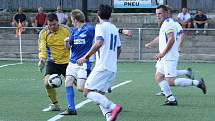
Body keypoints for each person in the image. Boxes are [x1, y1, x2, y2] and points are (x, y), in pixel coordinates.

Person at [151, 5, 206, 106]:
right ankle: (171, 99)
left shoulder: (168, 24)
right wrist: (153, 45)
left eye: (160, 13)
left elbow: (171, 39)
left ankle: (197, 83)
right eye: (157, 14)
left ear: (167, 12)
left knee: (170, 81)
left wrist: (162, 53)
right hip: (165, 57)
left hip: (169, 56)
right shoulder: (167, 23)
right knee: (159, 77)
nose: (158, 16)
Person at [77, 4, 122, 121]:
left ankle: (113, 107)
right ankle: (109, 117)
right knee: (100, 94)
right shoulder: (113, 28)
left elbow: (99, 43)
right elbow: (119, 49)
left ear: (98, 14)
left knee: (87, 91)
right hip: (112, 67)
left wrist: (85, 57)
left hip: (102, 65)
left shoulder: (100, 26)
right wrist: (112, 61)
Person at [60, 9, 95, 115]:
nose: (71, 22)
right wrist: (66, 42)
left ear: (75, 19)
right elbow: (69, 47)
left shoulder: (89, 29)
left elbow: (104, 32)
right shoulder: (73, 31)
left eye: (72, 19)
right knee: (68, 82)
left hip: (83, 63)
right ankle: (71, 109)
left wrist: (122, 31)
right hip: (72, 63)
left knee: (80, 88)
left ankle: (99, 89)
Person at [38, 13, 70, 112]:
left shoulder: (66, 30)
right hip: (53, 62)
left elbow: (73, 44)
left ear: (58, 22)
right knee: (47, 83)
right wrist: (42, 59)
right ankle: (55, 105)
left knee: (81, 87)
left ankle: (100, 101)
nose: (52, 27)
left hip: (68, 62)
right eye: (50, 25)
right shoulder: (43, 33)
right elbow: (42, 48)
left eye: (54, 24)